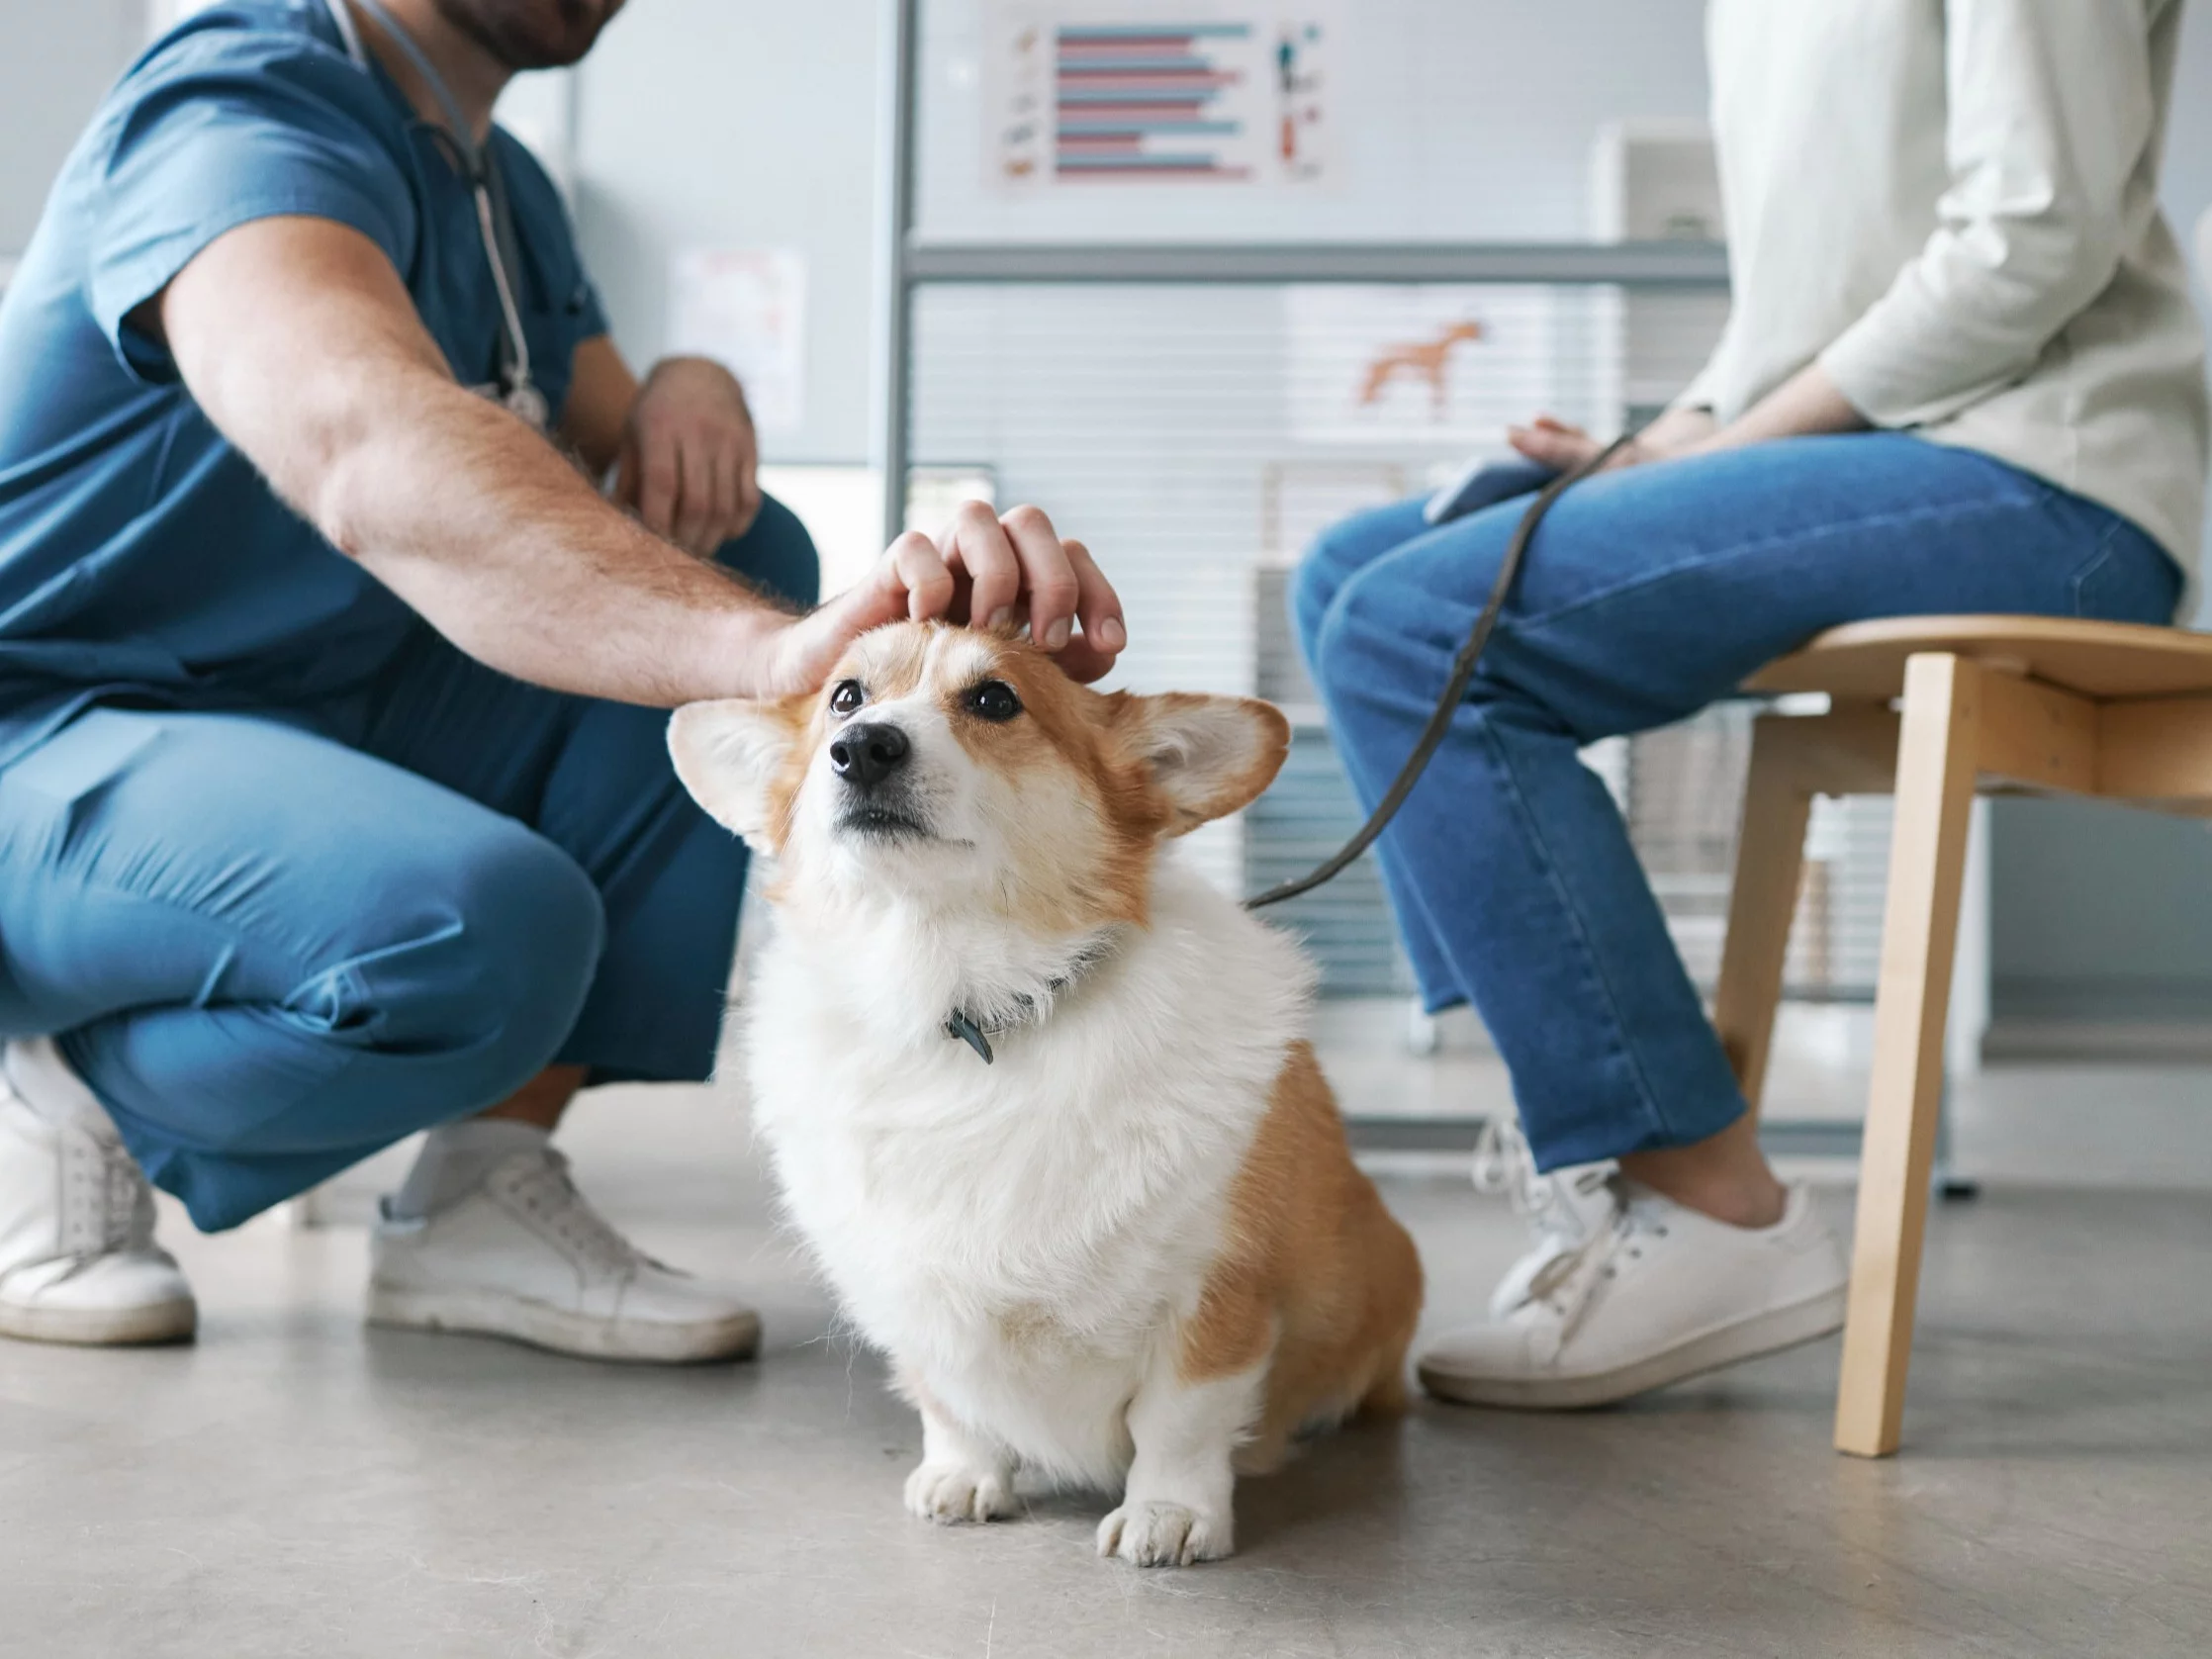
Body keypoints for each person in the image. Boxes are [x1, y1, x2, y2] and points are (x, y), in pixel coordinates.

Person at [0, 0, 1124, 1359]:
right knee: (483, 929)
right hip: (60, 726)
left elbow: (605, 420)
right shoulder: (238, 114)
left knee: (736, 546)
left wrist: (693, 384)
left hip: (310, 719)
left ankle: (481, 1186)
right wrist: (771, 658)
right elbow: (366, 445)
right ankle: (61, 1094)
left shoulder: (497, 182)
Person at [1297, 0, 2206, 1408]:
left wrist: (1697, 464)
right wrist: (1667, 441)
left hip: (2045, 471)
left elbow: (2036, 234)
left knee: (1415, 630)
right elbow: (1809, 309)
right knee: (1354, 573)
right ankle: (1596, 1138)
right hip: (1887, 457)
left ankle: (1707, 1197)